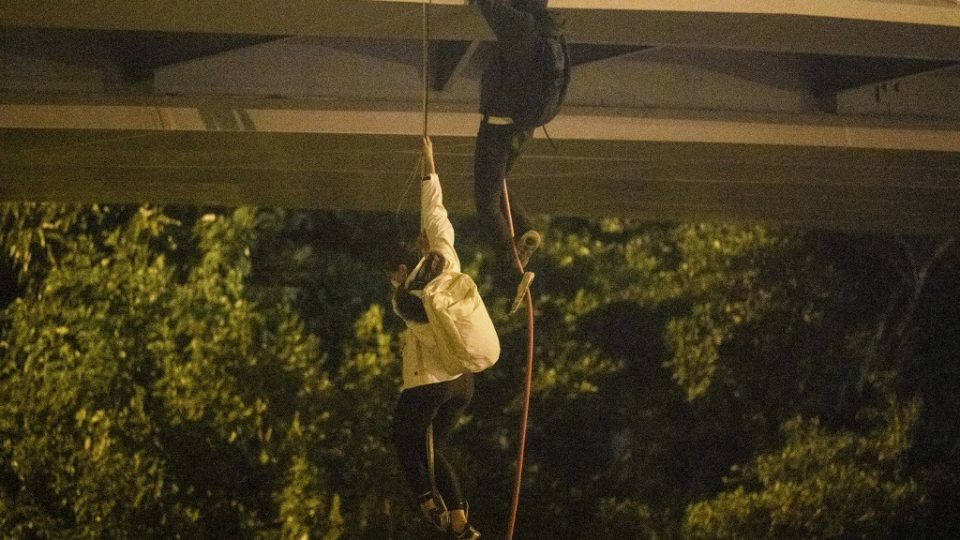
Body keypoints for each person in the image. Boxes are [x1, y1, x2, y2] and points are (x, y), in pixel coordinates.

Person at [387, 137, 483, 540]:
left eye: (392, 272)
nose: (390, 279)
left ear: (404, 268)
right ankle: (459, 520)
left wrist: (401, 283)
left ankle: (430, 502)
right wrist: (430, 164)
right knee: (432, 449)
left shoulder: (406, 301)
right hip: (464, 382)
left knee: (404, 437)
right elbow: (436, 213)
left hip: (432, 383)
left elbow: (407, 289)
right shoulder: (449, 258)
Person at [474, 0, 549, 283]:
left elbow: (488, 5)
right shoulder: (544, 29)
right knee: (497, 180)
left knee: (486, 202)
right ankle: (523, 227)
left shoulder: (519, 25)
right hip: (523, 126)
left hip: (499, 127)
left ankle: (511, 269)